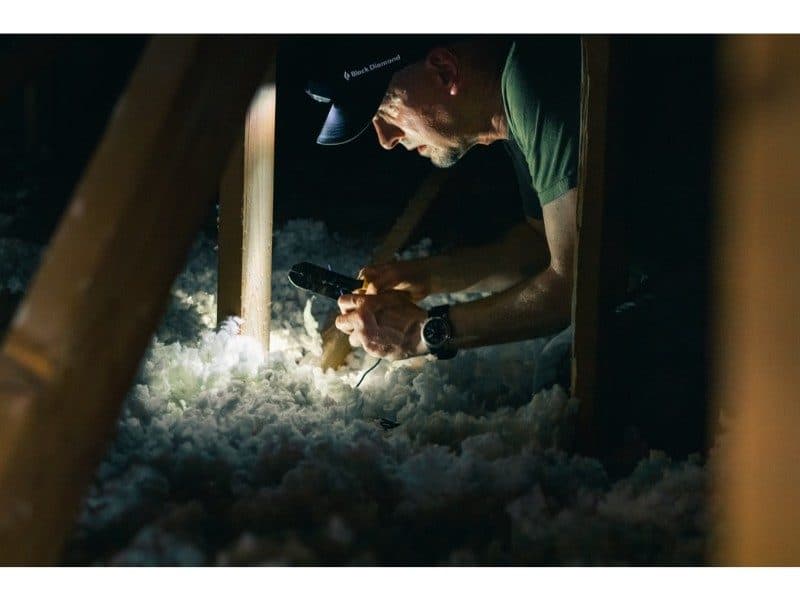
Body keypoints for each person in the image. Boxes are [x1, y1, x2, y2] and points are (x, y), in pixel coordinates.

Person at [306, 36, 580, 378]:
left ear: (445, 72)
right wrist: (427, 276)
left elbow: (577, 284)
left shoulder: (532, 79)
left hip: (664, 283)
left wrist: (423, 333)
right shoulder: (510, 103)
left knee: (560, 371)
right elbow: (543, 248)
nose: (387, 139)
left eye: (386, 109)